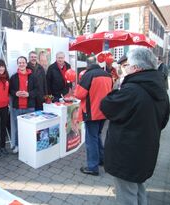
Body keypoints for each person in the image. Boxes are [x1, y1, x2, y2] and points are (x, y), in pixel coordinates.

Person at [100, 47, 170, 205]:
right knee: (139, 189)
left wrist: (119, 84)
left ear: (137, 68)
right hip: (145, 153)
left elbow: (106, 105)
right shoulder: (161, 89)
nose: (124, 68)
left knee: (127, 195)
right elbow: (163, 122)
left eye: (127, 65)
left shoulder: (131, 90)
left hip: (126, 156)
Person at [73, 56, 112, 176]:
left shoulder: (88, 75)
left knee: (91, 139)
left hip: (92, 112)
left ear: (87, 65)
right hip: (104, 111)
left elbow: (79, 94)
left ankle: (93, 167)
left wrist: (76, 88)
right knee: (97, 136)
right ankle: (102, 159)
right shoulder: (107, 75)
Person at [10, 56, 37, 153]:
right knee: (18, 129)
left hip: (29, 107)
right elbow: (10, 90)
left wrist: (29, 94)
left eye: (23, 62)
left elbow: (37, 90)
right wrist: (15, 93)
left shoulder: (33, 76)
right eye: (19, 63)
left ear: (26, 64)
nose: (21, 64)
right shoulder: (13, 77)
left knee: (29, 129)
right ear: (17, 64)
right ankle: (17, 145)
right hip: (17, 108)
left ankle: (29, 147)